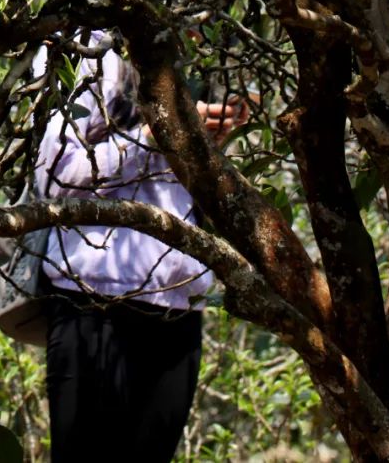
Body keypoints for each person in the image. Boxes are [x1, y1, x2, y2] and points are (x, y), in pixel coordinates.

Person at [34, 30, 247, 463]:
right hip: (91, 303)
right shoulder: (82, 45)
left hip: (177, 308)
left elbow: (184, 189)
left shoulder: (198, 40)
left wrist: (207, 136)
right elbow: (55, 176)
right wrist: (153, 135)